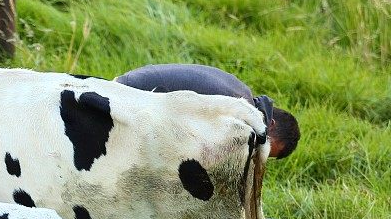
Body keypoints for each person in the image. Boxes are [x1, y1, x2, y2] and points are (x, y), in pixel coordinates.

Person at [115, 64, 300, 159]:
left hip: (125, 86)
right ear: (271, 124)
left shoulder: (242, 93)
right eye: (264, 146)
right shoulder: (238, 112)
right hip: (126, 101)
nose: (257, 152)